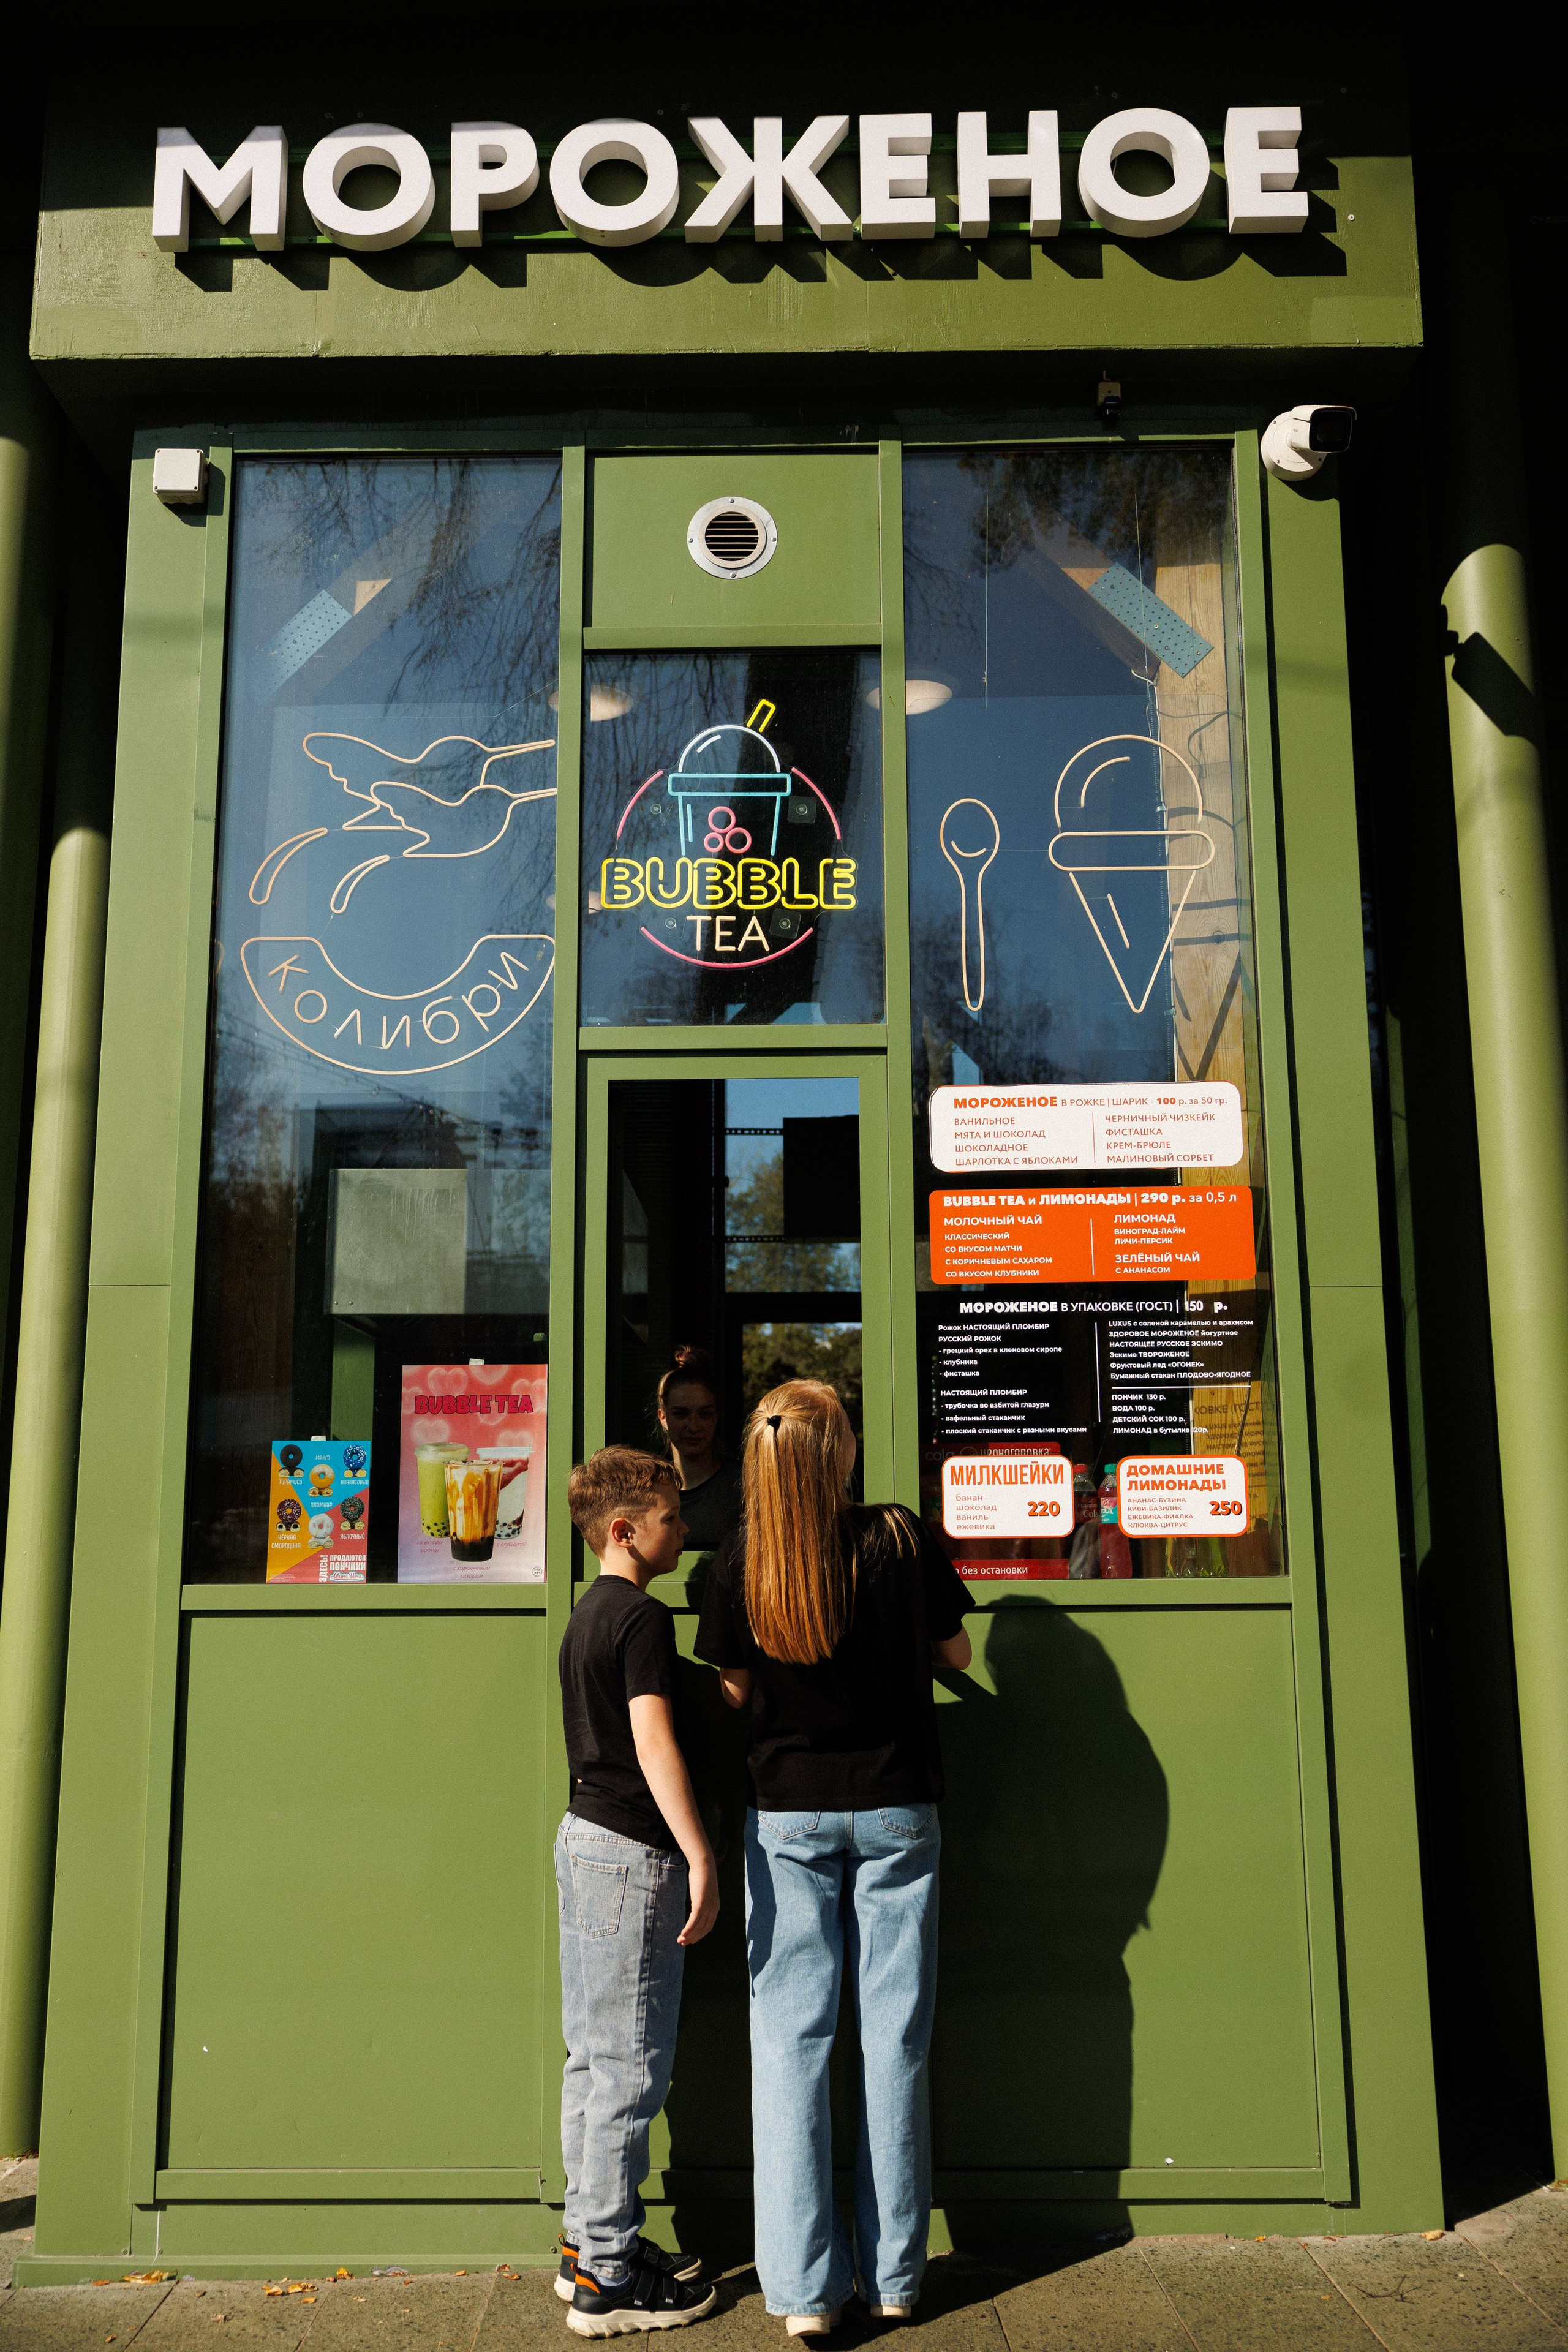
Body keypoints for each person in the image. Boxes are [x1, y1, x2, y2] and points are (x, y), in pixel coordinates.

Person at [694, 1382, 973, 2335]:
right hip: (897, 1810)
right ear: (841, 1452)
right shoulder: (900, 1537)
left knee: (790, 2049)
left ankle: (806, 2295)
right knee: (893, 2045)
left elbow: (731, 1687)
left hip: (790, 1819)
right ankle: (895, 2276)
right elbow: (961, 1652)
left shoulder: (742, 1559)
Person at [556, 1447, 720, 2335]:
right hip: (632, 1850)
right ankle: (611, 2281)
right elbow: (655, 1745)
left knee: (591, 2059)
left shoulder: (588, 1614)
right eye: (669, 1517)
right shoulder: (642, 1620)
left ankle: (590, 2244)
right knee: (628, 2069)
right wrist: (699, 1854)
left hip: (583, 1840)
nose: (684, 1529)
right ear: (626, 1531)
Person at [654, 1345, 743, 1552]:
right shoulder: (648, 1489)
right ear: (663, 1418)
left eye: (705, 1414)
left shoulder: (742, 1488)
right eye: (681, 1414)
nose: (693, 1426)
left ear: (717, 1416)